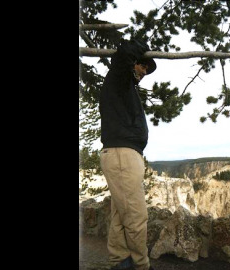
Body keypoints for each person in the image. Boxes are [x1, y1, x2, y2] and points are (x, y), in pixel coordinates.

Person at [99, 38, 156, 270]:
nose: (144, 71)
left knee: (121, 215)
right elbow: (123, 54)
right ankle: (141, 266)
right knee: (135, 215)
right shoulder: (119, 78)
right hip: (122, 154)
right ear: (133, 63)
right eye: (143, 65)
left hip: (122, 153)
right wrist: (140, 46)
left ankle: (120, 261)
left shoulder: (124, 86)